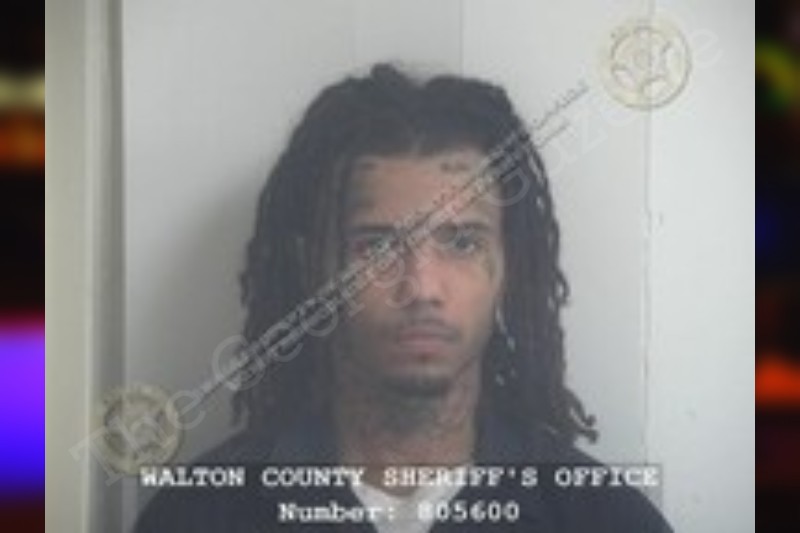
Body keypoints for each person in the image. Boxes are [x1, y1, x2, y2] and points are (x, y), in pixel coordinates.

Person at [135, 63, 672, 532]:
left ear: (509, 268)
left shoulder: (600, 517)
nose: (422, 288)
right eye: (376, 247)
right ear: (315, 265)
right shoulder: (201, 515)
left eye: (462, 242)